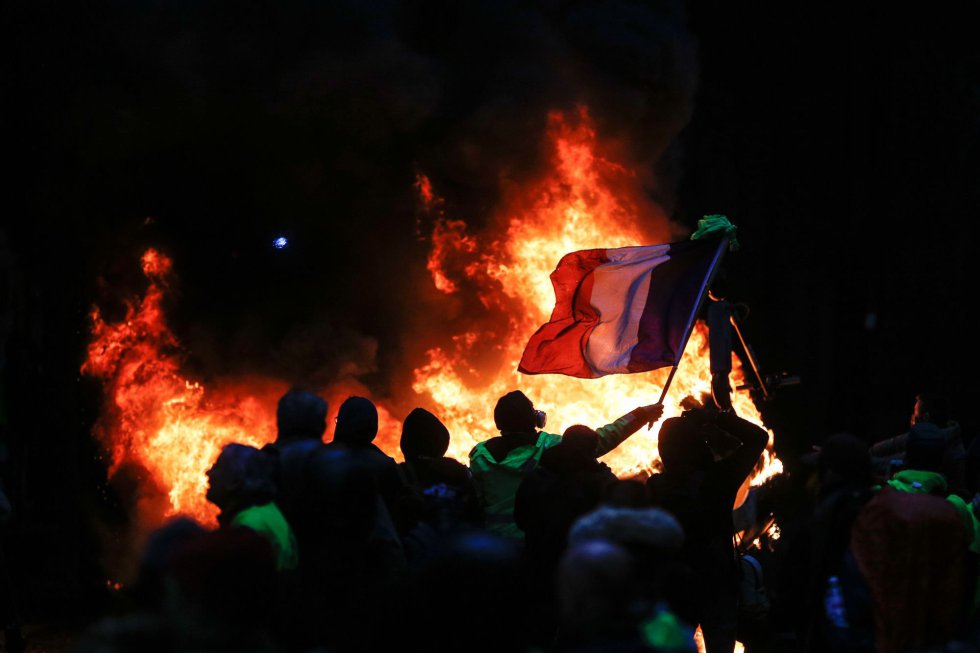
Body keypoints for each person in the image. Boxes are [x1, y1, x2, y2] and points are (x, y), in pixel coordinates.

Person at [647, 404, 768, 653]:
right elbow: (758, 438)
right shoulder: (719, 479)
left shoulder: (654, 487)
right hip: (717, 581)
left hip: (673, 585)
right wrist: (715, 417)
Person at [469, 390, 663, 538]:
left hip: (494, 542)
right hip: (538, 540)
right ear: (535, 419)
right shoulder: (551, 446)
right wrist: (639, 415)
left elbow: (476, 501)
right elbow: (600, 439)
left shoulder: (480, 454)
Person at [206, 443, 298, 572]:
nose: (208, 473)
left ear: (236, 481)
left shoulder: (249, 527)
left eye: (218, 468)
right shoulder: (265, 512)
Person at [870, 392, 966, 492]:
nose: (912, 419)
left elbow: (899, 459)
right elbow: (896, 443)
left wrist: (863, 460)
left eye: (915, 415)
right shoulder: (948, 434)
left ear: (925, 418)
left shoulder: (937, 446)